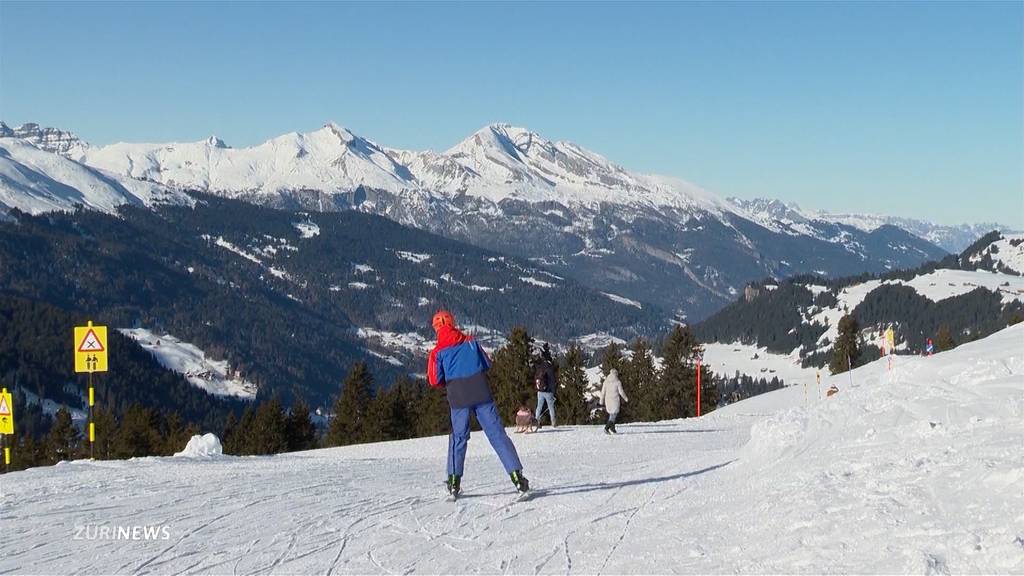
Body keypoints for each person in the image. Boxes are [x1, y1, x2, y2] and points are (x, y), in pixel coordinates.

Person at [427, 310, 529, 498]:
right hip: (481, 393)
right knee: (497, 435)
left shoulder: (437, 352)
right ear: (452, 322)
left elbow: (434, 380)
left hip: (457, 397)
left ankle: (453, 483)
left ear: (437, 328)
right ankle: (517, 477)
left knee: (458, 438)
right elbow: (487, 364)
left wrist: (450, 379)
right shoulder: (471, 342)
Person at [533, 345, 557, 428]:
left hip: (540, 391)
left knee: (539, 407)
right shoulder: (549, 368)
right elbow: (552, 381)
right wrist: (553, 392)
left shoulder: (540, 367)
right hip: (548, 391)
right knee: (551, 407)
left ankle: (536, 420)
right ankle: (553, 422)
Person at [600, 368, 628, 434]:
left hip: (608, 400)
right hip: (615, 400)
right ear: (616, 374)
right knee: (613, 415)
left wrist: (601, 401)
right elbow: (621, 392)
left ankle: (613, 429)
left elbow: (603, 392)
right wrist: (626, 398)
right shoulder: (618, 382)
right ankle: (606, 428)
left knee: (611, 415)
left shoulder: (606, 382)